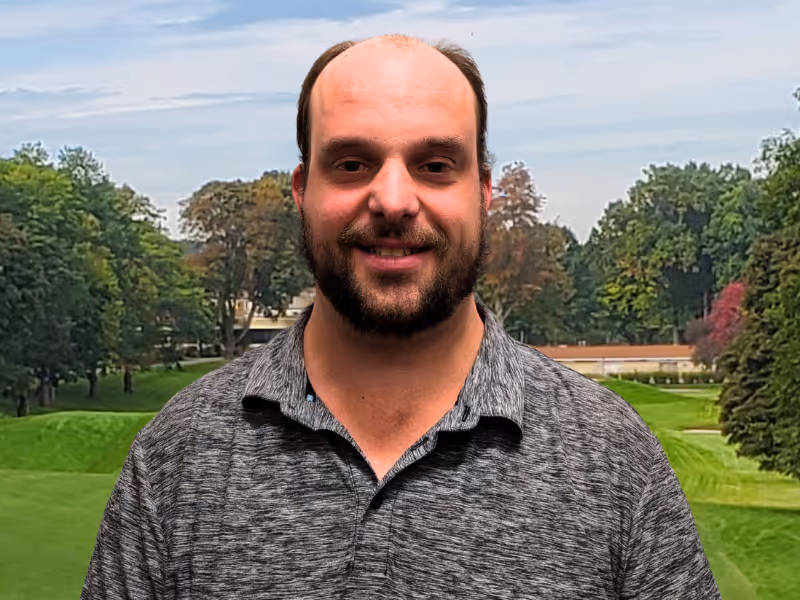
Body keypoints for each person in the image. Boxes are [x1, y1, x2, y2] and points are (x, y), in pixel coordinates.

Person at [82, 35, 721, 599]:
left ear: (483, 193)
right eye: (352, 164)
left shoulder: (609, 457)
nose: (392, 200)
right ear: (303, 192)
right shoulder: (179, 455)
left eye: (435, 166)